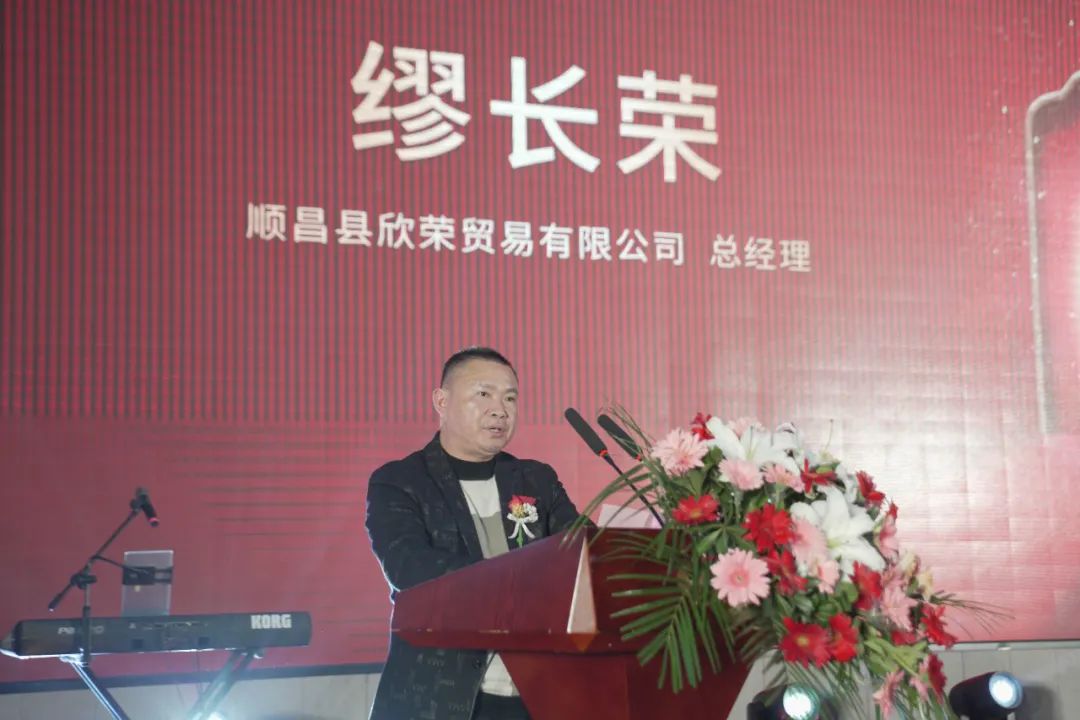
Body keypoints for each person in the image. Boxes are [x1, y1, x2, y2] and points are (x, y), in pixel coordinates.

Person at [365, 347, 581, 720]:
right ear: (441, 401)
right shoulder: (400, 481)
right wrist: (524, 582)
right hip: (442, 699)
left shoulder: (536, 479)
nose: (500, 410)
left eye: (510, 398)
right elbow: (410, 569)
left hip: (538, 696)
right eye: (483, 394)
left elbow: (580, 555)